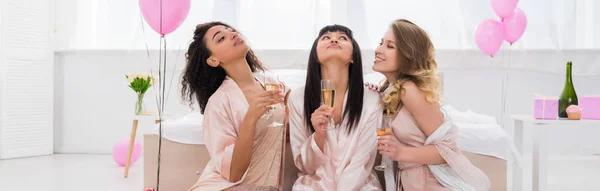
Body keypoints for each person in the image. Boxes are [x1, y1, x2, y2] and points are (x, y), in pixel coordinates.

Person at [372, 19, 491, 190]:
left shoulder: (409, 90)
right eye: (380, 43)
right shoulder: (390, 90)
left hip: (432, 183)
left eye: (390, 46)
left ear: (408, 55)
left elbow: (447, 150)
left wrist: (400, 153)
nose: (378, 50)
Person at [181, 21, 290, 191]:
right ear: (213, 60)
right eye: (221, 38)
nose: (232, 34)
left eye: (231, 30)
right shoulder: (219, 103)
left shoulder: (272, 84)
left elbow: (293, 117)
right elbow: (233, 174)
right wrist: (250, 118)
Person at [287, 24, 383, 190]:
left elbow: (362, 161)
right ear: (315, 56)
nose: (333, 39)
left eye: (342, 38)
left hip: (360, 186)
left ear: (353, 56)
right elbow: (306, 166)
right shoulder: (297, 99)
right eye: (326, 37)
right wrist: (318, 136)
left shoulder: (372, 98)